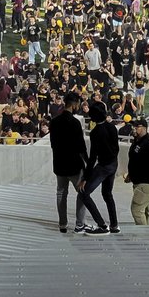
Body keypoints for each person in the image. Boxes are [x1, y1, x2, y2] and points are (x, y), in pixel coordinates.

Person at [75, 104, 119, 235]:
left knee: (83, 193)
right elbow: (116, 148)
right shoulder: (112, 127)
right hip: (113, 164)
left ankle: (102, 225)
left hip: (103, 166)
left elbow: (93, 157)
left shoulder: (95, 133)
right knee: (107, 194)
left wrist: (85, 178)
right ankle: (114, 225)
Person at [49, 92, 88, 233]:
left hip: (59, 163)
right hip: (74, 165)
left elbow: (53, 144)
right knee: (82, 193)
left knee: (61, 193)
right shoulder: (75, 123)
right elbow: (81, 146)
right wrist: (87, 162)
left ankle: (62, 224)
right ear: (75, 104)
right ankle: (80, 223)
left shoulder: (54, 122)